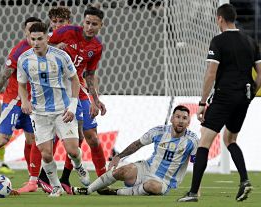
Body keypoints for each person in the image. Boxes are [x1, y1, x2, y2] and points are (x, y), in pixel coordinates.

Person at [178, 4, 261, 202]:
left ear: (220, 19)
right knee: (230, 140)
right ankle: (244, 180)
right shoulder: (250, 41)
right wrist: (250, 94)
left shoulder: (218, 41)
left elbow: (211, 74)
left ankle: (193, 193)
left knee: (204, 142)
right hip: (244, 97)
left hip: (224, 96)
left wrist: (202, 102)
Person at [17, 22, 90, 197]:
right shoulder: (24, 59)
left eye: (39, 39)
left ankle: (79, 166)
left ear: (47, 38)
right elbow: (21, 84)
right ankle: (56, 186)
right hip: (39, 113)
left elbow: (74, 80)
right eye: (32, 39)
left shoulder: (61, 56)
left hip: (62, 110)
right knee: (46, 154)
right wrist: (25, 101)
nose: (36, 43)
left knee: (73, 150)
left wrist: (72, 106)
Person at [0, 17, 42, 193]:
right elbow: (4, 76)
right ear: (25, 31)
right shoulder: (19, 51)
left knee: (32, 139)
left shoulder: (44, 48)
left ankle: (32, 179)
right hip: (14, 100)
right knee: (3, 139)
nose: (32, 36)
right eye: (29, 31)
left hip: (32, 101)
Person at [45, 6, 107, 192]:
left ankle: (103, 180)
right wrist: (56, 47)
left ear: (100, 26)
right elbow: (40, 49)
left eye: (94, 24)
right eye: (87, 22)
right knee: (73, 135)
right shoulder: (67, 32)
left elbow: (89, 75)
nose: (89, 27)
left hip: (78, 88)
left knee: (92, 138)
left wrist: (95, 99)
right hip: (58, 89)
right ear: (83, 21)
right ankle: (52, 178)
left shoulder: (96, 46)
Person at [73, 105, 199, 196]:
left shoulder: (192, 141)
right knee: (122, 171)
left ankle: (115, 192)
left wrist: (196, 188)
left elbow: (197, 164)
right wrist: (119, 156)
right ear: (172, 119)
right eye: (177, 117)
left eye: (184, 118)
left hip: (164, 181)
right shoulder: (159, 131)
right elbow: (137, 144)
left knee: (152, 186)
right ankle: (88, 190)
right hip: (147, 168)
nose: (180, 120)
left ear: (188, 122)